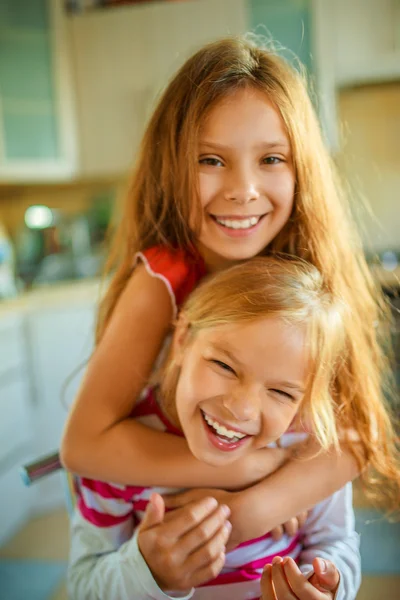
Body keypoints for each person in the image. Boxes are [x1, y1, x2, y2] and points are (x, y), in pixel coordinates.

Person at [61, 35, 399, 549]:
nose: (243, 189)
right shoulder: (162, 282)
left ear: (301, 168)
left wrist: (252, 509)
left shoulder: (311, 286)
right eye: (210, 160)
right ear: (171, 163)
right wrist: (250, 465)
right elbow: (84, 445)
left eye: (271, 159)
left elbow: (353, 440)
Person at [68, 257, 363, 600]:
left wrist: (326, 587)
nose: (242, 409)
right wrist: (147, 570)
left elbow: (336, 542)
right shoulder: (114, 460)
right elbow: (83, 585)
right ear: (182, 339)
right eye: (224, 365)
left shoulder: (307, 441)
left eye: (282, 392)